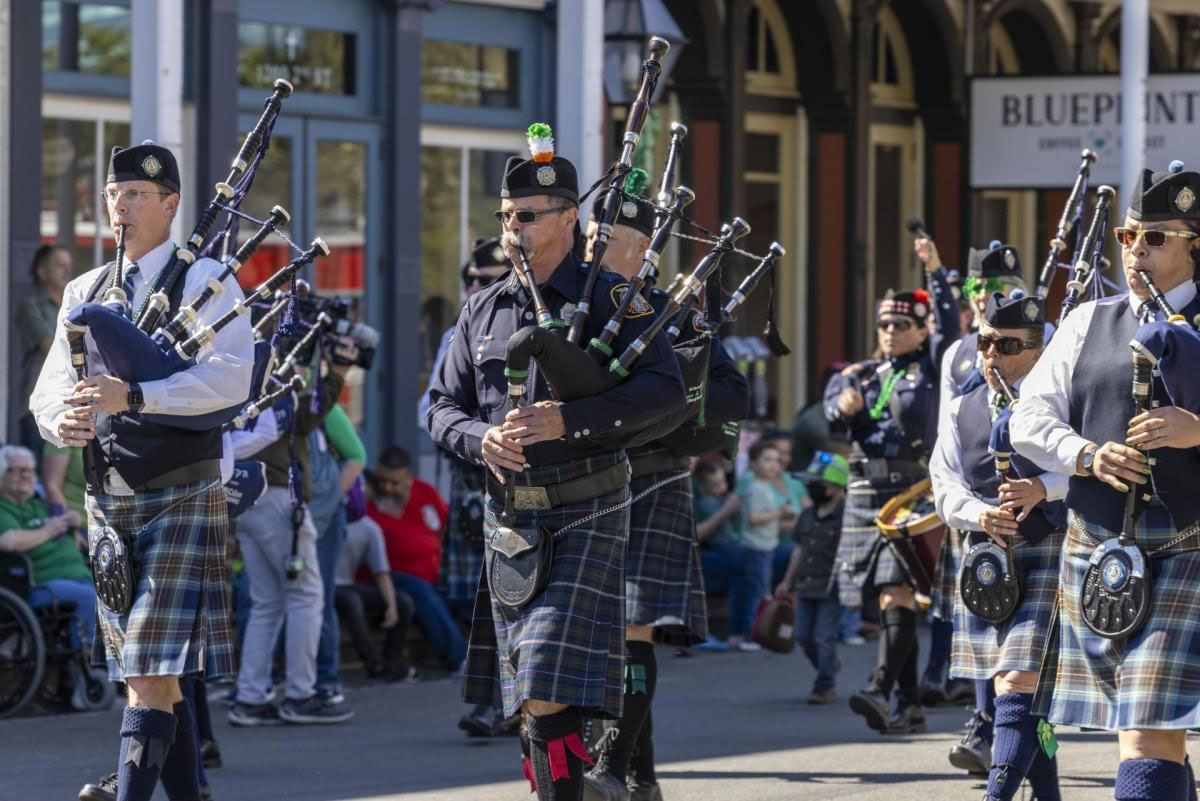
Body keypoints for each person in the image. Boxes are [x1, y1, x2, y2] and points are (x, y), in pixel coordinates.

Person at [427, 122, 685, 801]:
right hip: (510, 520)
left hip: (587, 507)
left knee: (542, 681)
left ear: (569, 217)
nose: (513, 226)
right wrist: (479, 437)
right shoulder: (482, 309)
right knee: (534, 699)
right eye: (506, 215)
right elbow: (438, 406)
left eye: (528, 215)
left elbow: (665, 391)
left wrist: (571, 418)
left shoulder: (613, 298)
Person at [29, 142, 250, 801]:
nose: (119, 206)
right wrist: (60, 422)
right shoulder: (84, 289)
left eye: (135, 195)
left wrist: (138, 396)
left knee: (150, 672)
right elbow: (50, 387)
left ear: (171, 204)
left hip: (184, 490)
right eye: (113, 193)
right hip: (108, 495)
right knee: (151, 676)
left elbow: (230, 380)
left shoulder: (209, 279)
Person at [1011, 161, 1200, 801]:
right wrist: (1086, 453)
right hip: (1098, 549)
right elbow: (1027, 419)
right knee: (1141, 727)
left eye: (1155, 238)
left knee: (1147, 730)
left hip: (1186, 543)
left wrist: (1197, 430)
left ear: (1194, 244)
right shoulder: (1088, 320)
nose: (1136, 251)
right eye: (1128, 238)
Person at [578, 170, 750, 801]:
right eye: (593, 233)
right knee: (603, 627)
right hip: (587, 481)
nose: (596, 246)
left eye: (609, 236)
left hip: (652, 477)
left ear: (643, 246)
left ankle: (615, 769)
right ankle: (643, 778)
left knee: (635, 623)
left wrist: (663, 401)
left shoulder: (675, 313)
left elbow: (732, 392)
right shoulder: (575, 303)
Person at [930, 292, 1065, 799]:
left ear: (1036, 350)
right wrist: (977, 514)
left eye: (1006, 345)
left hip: (1052, 547)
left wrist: (1044, 488)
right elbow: (943, 483)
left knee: (1016, 683)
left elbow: (1088, 464)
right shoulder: (961, 405)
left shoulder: (1061, 399)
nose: (990, 355)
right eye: (985, 342)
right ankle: (1048, 794)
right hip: (985, 557)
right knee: (1027, 694)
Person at [825, 261, 960, 736]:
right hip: (865, 493)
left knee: (895, 592)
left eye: (901, 325)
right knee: (890, 600)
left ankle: (881, 687)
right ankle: (908, 703)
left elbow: (948, 323)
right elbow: (830, 415)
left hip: (911, 493)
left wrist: (936, 272)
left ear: (922, 331)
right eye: (884, 324)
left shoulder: (935, 368)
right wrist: (841, 407)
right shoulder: (860, 374)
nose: (890, 332)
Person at [229, 336, 356, 727]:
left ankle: (250, 697)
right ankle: (300, 694)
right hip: (280, 494)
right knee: (305, 595)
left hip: (245, 495)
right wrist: (334, 371)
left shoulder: (234, 369)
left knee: (267, 600)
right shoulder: (269, 370)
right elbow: (305, 417)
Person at [365, 446, 467, 673]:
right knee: (420, 590)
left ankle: (502, 658)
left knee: (469, 596)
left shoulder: (425, 493)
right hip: (386, 579)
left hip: (434, 576)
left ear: (408, 478)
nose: (387, 487)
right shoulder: (368, 501)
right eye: (382, 480)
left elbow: (447, 531)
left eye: (395, 482)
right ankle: (459, 659)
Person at [0, 444, 95, 651]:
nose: (24, 476)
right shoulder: (3, 508)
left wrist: (72, 522)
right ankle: (88, 671)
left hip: (79, 578)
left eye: (28, 470)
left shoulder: (40, 504)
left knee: (117, 600)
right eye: (14, 470)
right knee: (91, 599)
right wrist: (49, 530)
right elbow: (8, 541)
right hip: (36, 587)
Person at [775, 451, 851, 705]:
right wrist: (787, 581)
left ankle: (825, 685)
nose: (812, 489)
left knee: (823, 636)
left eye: (818, 485)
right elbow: (799, 548)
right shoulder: (807, 515)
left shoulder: (846, 516)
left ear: (835, 487)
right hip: (806, 584)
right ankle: (828, 664)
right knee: (803, 636)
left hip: (832, 586)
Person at [334, 514, 416, 682]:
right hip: (324, 586)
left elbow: (381, 571)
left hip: (348, 584)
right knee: (351, 601)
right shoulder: (322, 517)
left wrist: (391, 606)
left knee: (403, 602)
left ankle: (392, 660)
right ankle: (375, 664)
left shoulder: (369, 527)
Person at [734, 440, 798, 652]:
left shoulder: (766, 487)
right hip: (756, 548)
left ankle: (759, 634)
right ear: (754, 463)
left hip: (768, 545)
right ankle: (750, 636)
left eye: (776, 461)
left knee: (762, 590)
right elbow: (753, 517)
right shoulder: (754, 487)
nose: (773, 465)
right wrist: (780, 513)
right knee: (759, 593)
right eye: (767, 460)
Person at [17, 244, 74, 457]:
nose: (66, 271)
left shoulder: (74, 306)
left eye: (69, 265)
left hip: (71, 405)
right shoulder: (30, 306)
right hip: (38, 407)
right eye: (60, 265)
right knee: (40, 479)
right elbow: (49, 346)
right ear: (42, 272)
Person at [693, 460, 745, 652]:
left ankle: (742, 629)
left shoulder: (721, 498)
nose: (721, 488)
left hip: (730, 547)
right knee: (747, 564)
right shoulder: (706, 502)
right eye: (715, 485)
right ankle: (739, 631)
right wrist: (727, 510)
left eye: (722, 482)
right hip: (715, 551)